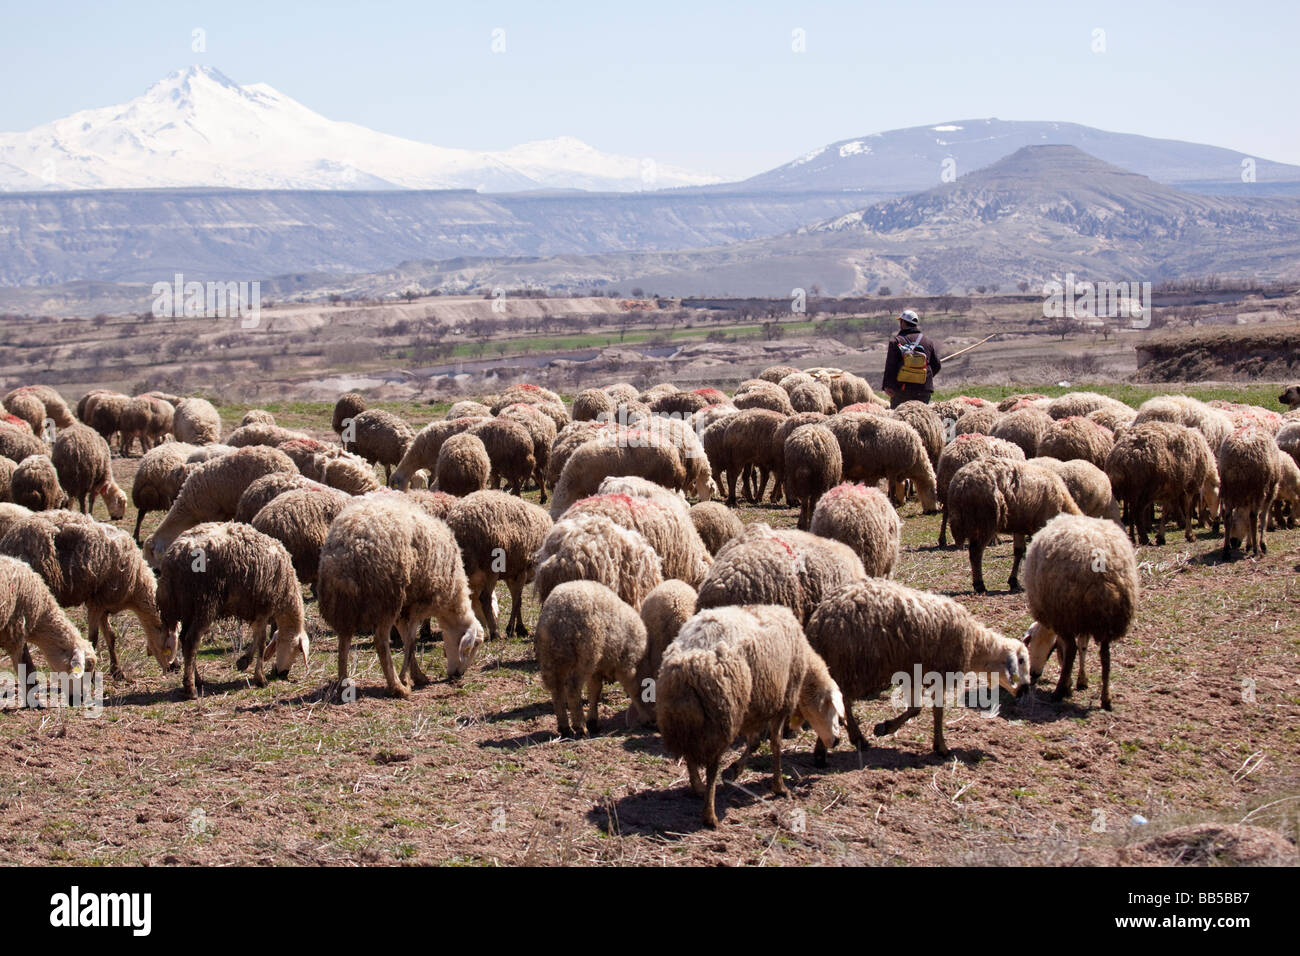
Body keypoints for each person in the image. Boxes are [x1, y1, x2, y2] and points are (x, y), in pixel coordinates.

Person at [882, 309, 942, 408]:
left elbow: (890, 367)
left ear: (903, 322)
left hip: (902, 390)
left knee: (899, 420)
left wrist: (887, 386)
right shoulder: (927, 342)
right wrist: (923, 376)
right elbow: (937, 365)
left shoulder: (896, 341)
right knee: (921, 420)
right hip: (923, 390)